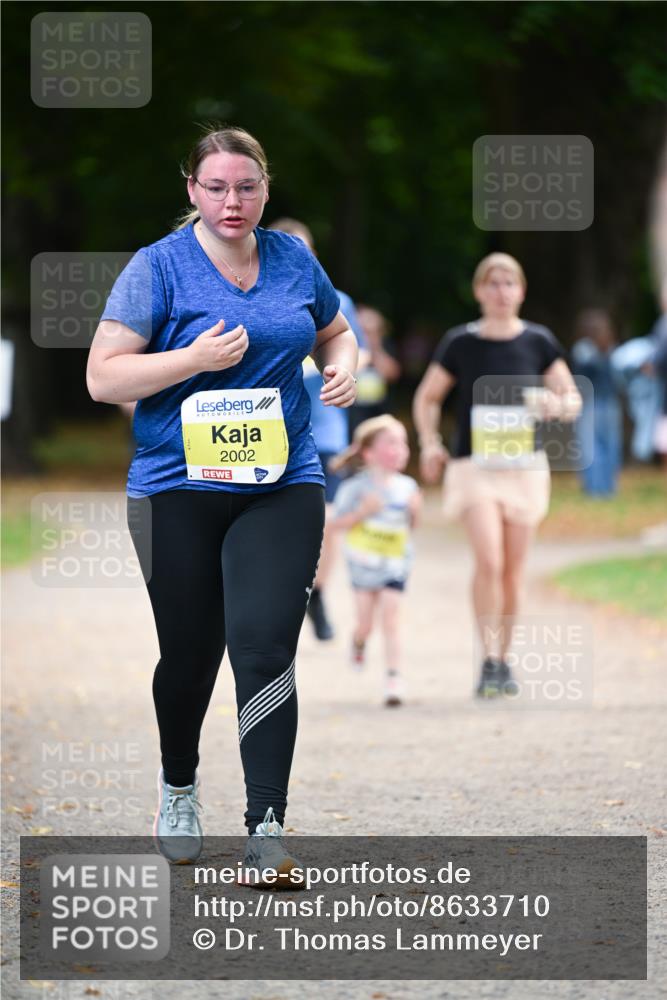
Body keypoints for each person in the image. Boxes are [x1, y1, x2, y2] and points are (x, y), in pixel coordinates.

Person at [86, 126, 358, 879]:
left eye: (245, 186)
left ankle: (265, 825)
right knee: (191, 654)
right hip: (176, 488)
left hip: (281, 483)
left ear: (265, 188)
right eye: (216, 187)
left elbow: (336, 332)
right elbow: (103, 379)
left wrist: (343, 368)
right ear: (192, 192)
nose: (232, 201)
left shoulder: (294, 259)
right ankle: (178, 787)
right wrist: (194, 360)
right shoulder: (157, 269)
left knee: (266, 646)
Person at [413, 253, 581, 698]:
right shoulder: (460, 342)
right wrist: (430, 442)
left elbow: (571, 397)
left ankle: (504, 661)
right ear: (479, 291)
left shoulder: (539, 341)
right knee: (489, 560)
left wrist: (558, 406)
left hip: (524, 469)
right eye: (493, 283)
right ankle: (487, 657)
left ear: (521, 291)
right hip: (474, 468)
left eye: (509, 283)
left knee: (513, 570)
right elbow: (428, 398)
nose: (501, 291)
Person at [267, 217, 368, 641]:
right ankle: (272, 597)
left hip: (324, 430)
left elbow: (357, 352)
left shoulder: (336, 299)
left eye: (304, 249)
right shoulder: (257, 295)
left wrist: (338, 371)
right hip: (267, 427)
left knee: (322, 521)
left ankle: (317, 593)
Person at [329, 415, 422, 707]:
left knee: (391, 619)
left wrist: (416, 513)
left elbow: (410, 528)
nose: (401, 449)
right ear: (369, 453)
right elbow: (334, 525)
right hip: (363, 567)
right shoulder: (355, 488)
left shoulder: (408, 487)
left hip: (395, 565)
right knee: (366, 624)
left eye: (403, 443)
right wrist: (363, 512)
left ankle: (394, 678)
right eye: (392, 442)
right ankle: (358, 641)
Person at [571, 309, 622, 496]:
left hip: (591, 402)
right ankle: (609, 488)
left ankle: (594, 489)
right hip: (611, 402)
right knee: (610, 445)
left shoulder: (583, 348)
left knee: (591, 446)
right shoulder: (611, 348)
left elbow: (581, 377)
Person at [348, 306, 401, 434]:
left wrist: (374, 346)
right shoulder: (348, 348)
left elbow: (392, 374)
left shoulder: (385, 347)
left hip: (380, 412)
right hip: (354, 413)